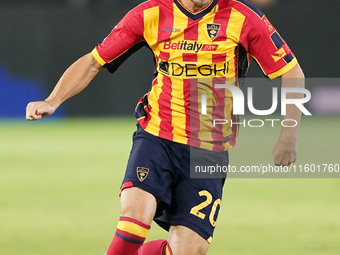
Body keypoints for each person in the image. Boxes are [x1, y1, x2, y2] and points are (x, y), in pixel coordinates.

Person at [26, 0, 305, 254]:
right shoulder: (150, 13)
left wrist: (288, 137)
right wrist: (53, 100)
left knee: (188, 251)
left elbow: (292, 72)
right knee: (133, 221)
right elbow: (93, 61)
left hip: (209, 150)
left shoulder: (243, 17)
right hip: (156, 135)